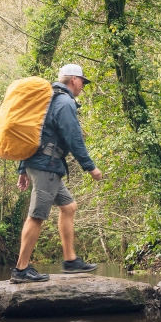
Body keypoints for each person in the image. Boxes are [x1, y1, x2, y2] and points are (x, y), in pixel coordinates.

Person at [12, 64, 103, 283]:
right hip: (46, 166)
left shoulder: (48, 100)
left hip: (43, 164)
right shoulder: (64, 103)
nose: (83, 86)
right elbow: (74, 138)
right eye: (82, 81)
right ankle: (21, 270)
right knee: (37, 215)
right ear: (73, 80)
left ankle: (70, 260)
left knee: (68, 206)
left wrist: (23, 168)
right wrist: (90, 167)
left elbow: (34, 134)